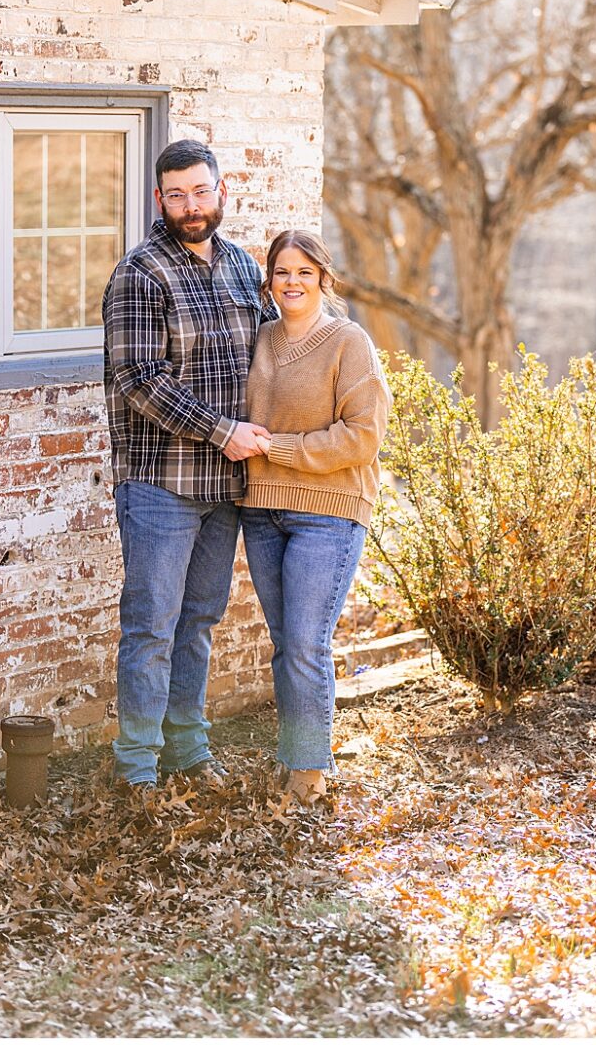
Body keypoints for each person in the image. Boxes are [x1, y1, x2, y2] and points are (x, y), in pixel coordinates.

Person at [101, 140, 274, 796]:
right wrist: (223, 431)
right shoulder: (139, 275)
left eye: (201, 192)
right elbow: (140, 379)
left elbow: (270, 355)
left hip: (225, 488)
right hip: (161, 486)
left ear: (221, 191)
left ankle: (188, 753)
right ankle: (137, 771)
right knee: (151, 628)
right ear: (159, 200)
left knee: (198, 622)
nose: (191, 206)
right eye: (177, 195)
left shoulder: (240, 268)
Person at [240, 230, 390, 804]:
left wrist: (278, 448)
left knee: (306, 642)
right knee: (286, 642)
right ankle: (293, 756)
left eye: (304, 271)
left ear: (323, 277)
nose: (293, 282)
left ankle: (308, 772)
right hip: (261, 511)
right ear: (269, 282)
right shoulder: (261, 340)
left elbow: (363, 437)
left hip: (328, 513)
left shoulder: (348, 342)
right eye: (282, 272)